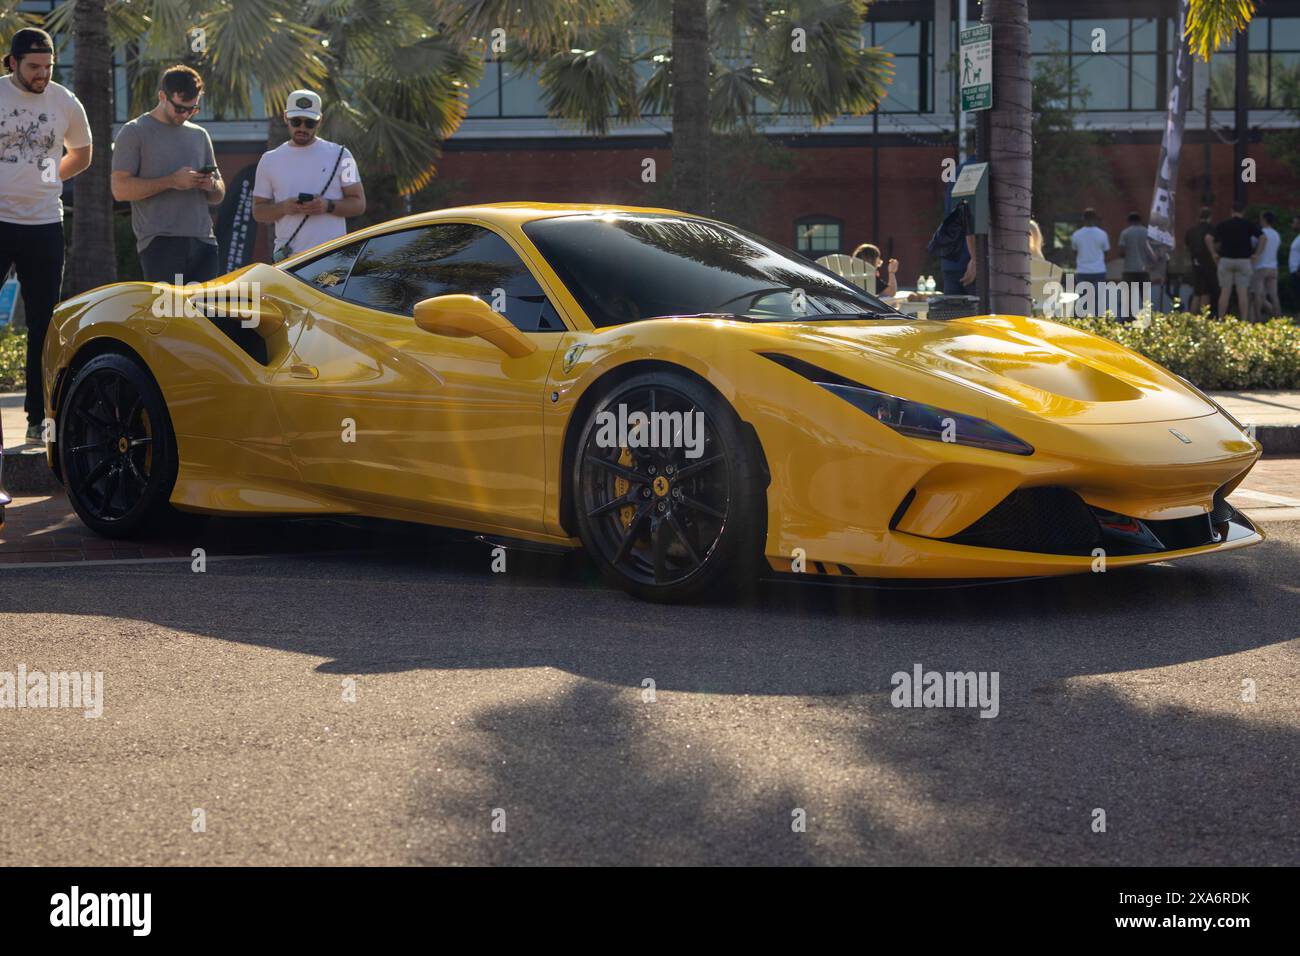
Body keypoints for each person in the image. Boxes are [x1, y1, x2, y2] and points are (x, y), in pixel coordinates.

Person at [0, 28, 91, 441]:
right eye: (34, 67)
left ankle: (38, 419)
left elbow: (83, 151)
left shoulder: (63, 100)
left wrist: (51, 174)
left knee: (43, 323)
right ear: (13, 62)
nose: (42, 75)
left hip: (43, 224)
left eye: (48, 67)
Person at [111, 65, 224, 284]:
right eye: (181, 108)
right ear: (162, 96)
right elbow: (120, 190)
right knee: (171, 316)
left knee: (206, 317)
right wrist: (172, 181)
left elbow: (219, 194)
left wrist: (210, 185)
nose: (186, 115)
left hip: (204, 241)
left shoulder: (200, 135)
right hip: (160, 242)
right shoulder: (134, 131)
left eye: (193, 109)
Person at [252, 90, 365, 261]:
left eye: (310, 123)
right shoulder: (269, 160)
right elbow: (258, 211)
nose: (302, 128)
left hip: (333, 258)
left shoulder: (342, 155)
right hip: (289, 261)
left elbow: (359, 204)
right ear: (285, 117)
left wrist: (327, 206)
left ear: (320, 121)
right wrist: (284, 207)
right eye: (296, 121)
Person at [1211, 201, 1262, 319]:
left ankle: (1221, 319)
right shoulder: (1248, 224)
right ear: (1243, 212)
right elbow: (1262, 237)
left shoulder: (1223, 224)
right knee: (1242, 293)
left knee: (1225, 292)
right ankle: (1243, 320)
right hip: (1243, 260)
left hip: (1226, 259)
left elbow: (1209, 238)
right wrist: (1257, 254)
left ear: (1231, 211)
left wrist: (1214, 253)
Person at [1070, 208, 1109, 316]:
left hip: (1082, 271)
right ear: (1095, 219)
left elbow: (1074, 251)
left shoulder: (1076, 234)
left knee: (1083, 302)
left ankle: (1083, 326)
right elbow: (1106, 252)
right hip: (1099, 271)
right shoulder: (1102, 234)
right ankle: (1097, 325)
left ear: (1083, 219)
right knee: (1098, 302)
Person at [1185, 206, 1219, 315]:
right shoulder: (1211, 229)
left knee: (1197, 292)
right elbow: (1217, 245)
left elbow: (1187, 245)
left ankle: (1192, 317)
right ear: (1210, 217)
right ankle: (1203, 319)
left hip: (1195, 263)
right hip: (1208, 264)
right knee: (1206, 292)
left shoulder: (1191, 230)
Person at [1248, 210, 1281, 322]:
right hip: (1273, 266)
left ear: (1264, 220)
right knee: (1273, 295)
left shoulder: (1260, 232)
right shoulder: (1276, 234)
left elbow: (1252, 244)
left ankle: (1258, 318)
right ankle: (1278, 317)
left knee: (1257, 294)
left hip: (1260, 266)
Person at [1117, 211, 1151, 319]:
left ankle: (1129, 318)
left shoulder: (1125, 233)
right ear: (1140, 221)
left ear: (1129, 221)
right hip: (1144, 269)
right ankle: (1146, 318)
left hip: (1129, 269)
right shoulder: (1147, 232)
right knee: (1145, 296)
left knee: (1128, 295)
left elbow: (1122, 252)